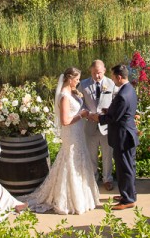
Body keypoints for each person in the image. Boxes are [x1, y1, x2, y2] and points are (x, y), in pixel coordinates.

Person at [25, 67, 99, 214]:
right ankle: (69, 200)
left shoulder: (71, 93)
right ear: (70, 79)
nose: (78, 82)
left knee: (79, 158)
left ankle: (83, 197)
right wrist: (82, 115)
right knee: (70, 159)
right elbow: (65, 121)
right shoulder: (65, 97)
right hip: (71, 132)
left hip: (77, 132)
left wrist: (86, 113)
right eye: (77, 79)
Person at [89, 64, 139, 210]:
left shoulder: (123, 95)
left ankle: (128, 200)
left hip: (123, 136)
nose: (111, 79)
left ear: (119, 77)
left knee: (125, 168)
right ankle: (129, 193)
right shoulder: (129, 89)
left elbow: (113, 118)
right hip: (126, 134)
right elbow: (119, 112)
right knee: (127, 166)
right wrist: (109, 110)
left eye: (112, 76)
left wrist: (96, 117)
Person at [79, 60, 116, 190]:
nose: (97, 76)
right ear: (91, 71)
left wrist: (106, 115)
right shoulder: (83, 84)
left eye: (99, 73)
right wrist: (88, 113)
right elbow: (79, 103)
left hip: (106, 126)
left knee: (107, 154)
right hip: (90, 125)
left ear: (104, 70)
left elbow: (115, 103)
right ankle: (93, 178)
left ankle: (107, 179)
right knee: (91, 154)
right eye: (94, 73)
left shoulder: (111, 84)